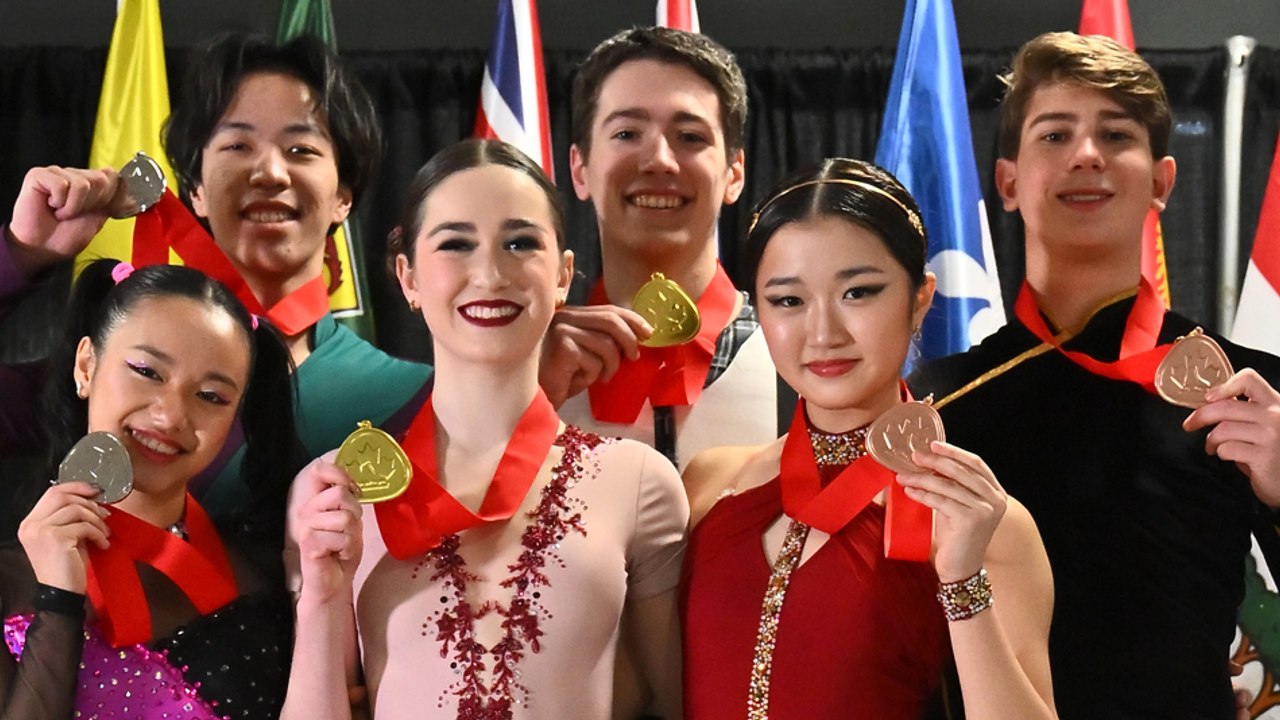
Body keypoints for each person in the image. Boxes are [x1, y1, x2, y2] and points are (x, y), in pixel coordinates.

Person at [908, 32, 1280, 720]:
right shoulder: (939, 401)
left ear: (1162, 181)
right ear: (1009, 183)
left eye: (1115, 135)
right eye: (1055, 135)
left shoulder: (1251, 391)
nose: (1086, 155)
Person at [283, 139, 688, 720]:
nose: (490, 273)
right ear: (408, 277)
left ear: (563, 275)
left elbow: (671, 702)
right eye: (455, 244)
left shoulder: (639, 480)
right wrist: (322, 595)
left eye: (520, 243)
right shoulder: (334, 489)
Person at [681, 158, 1056, 719]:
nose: (824, 332)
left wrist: (961, 581)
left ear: (920, 298)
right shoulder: (709, 484)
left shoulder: (981, 521)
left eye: (858, 292)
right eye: (788, 300)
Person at [1, 33, 432, 519]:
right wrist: (21, 253)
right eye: (238, 144)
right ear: (196, 191)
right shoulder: (117, 360)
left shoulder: (410, 397)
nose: (270, 171)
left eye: (301, 149)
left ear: (344, 197)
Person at [0, 259, 306, 719]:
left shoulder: (272, 572)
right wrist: (58, 600)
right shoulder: (8, 582)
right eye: (147, 371)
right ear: (86, 366)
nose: (170, 416)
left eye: (211, 396)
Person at [551, 26, 778, 470]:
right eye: (626, 133)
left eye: (690, 137)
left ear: (734, 173)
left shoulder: (797, 361)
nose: (659, 159)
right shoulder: (533, 374)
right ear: (580, 169)